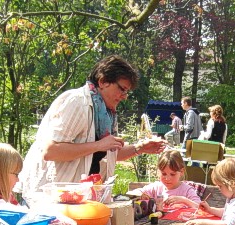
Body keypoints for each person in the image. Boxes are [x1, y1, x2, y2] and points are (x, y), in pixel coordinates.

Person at [19, 55, 167, 198]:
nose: (124, 96)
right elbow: (51, 151)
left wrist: (139, 148)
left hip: (79, 199)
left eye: (127, 91)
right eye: (122, 89)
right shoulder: (77, 102)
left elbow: (108, 154)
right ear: (102, 81)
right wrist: (98, 145)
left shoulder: (106, 114)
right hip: (50, 199)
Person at [130, 149, 201, 209]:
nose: (167, 178)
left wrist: (184, 200)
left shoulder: (187, 190)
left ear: (181, 172)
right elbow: (134, 193)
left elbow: (200, 207)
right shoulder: (156, 187)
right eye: (164, 174)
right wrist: (141, 195)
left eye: (172, 174)